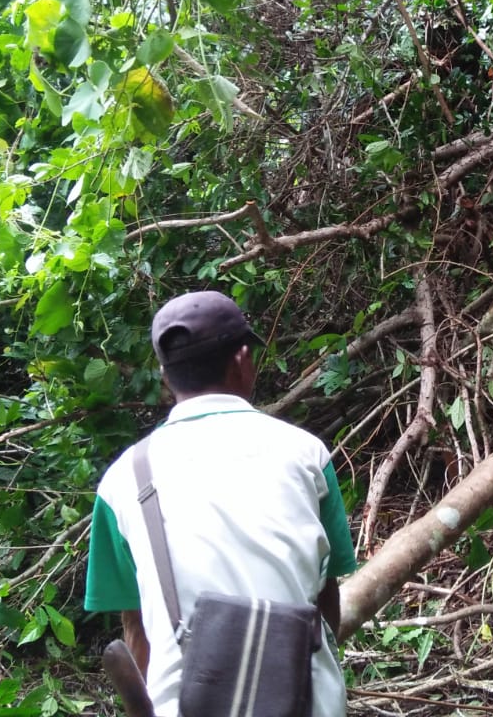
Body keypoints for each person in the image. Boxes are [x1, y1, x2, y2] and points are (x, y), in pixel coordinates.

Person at [85, 290, 357, 715]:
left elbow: (136, 628)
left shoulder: (123, 479)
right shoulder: (306, 454)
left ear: (165, 376)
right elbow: (326, 597)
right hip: (306, 703)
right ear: (242, 359)